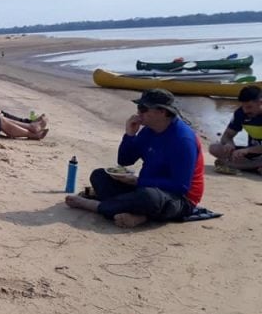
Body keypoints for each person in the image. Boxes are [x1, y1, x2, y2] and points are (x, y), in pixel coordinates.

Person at [65, 89, 205, 228]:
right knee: (99, 175)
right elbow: (125, 160)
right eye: (139, 108)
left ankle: (98, 206)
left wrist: (138, 181)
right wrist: (130, 135)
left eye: (143, 109)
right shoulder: (148, 131)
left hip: (180, 198)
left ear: (162, 112)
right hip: (145, 186)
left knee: (148, 197)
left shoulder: (182, 139)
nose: (138, 113)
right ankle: (138, 214)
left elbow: (180, 186)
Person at [209, 85, 262, 174]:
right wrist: (229, 143)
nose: (245, 111)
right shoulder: (240, 113)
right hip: (254, 154)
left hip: (254, 151)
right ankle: (253, 166)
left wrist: (247, 150)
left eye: (249, 107)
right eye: (243, 107)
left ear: (260, 102)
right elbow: (227, 136)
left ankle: (239, 165)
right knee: (214, 148)